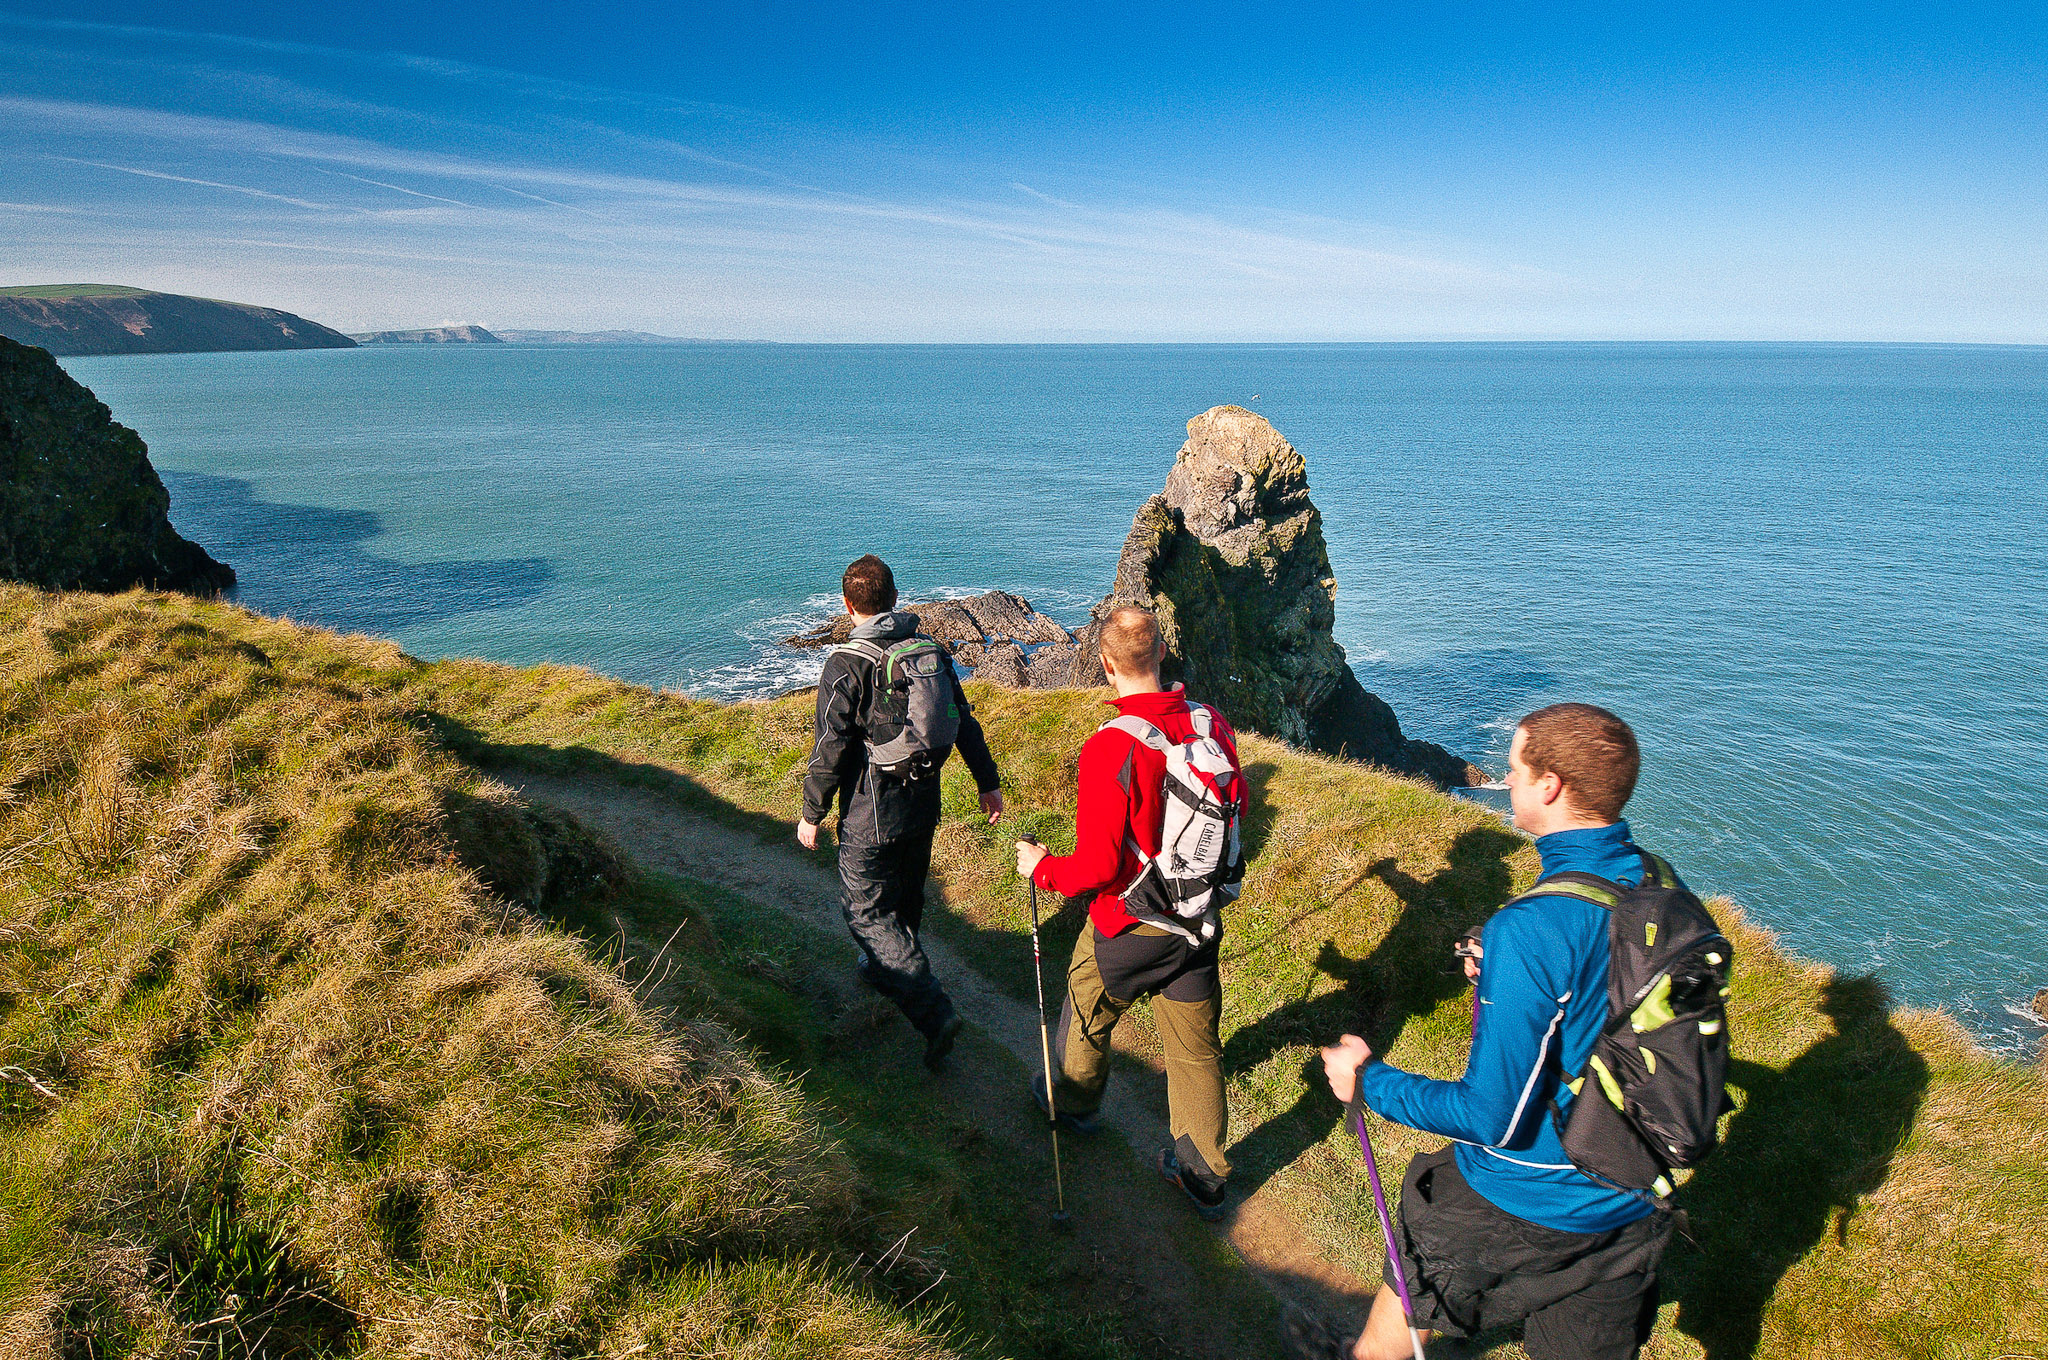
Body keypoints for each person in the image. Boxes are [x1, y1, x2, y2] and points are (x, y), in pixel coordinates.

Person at [1318, 703, 1679, 1360]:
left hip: (1521, 1194)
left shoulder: (1534, 928)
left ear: (1551, 786)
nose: (1504, 781)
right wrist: (1508, 979)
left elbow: (1491, 1116)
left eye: (1514, 769)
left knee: (1391, 1331)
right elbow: (1613, 1004)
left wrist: (1369, 1081)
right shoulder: (1657, 885)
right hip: (1631, 1196)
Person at [1014, 606, 1243, 1219]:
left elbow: (1095, 865)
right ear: (1162, 651)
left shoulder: (1111, 747)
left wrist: (1041, 867)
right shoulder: (1212, 725)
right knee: (1195, 1048)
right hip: (1197, 917)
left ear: (1106, 663)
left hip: (1131, 921)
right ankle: (1203, 1174)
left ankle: (1075, 1104)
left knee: (1087, 1001)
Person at [799, 554, 1004, 1069]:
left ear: (848, 606)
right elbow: (962, 720)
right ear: (894, 599)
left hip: (872, 810)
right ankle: (880, 967)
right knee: (905, 892)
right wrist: (988, 782)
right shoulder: (928, 649)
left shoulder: (847, 662)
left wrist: (812, 811)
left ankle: (932, 1010)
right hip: (924, 800)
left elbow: (832, 744)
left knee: (864, 907)